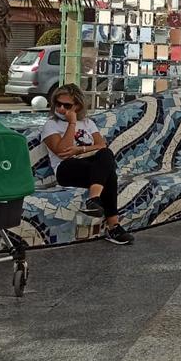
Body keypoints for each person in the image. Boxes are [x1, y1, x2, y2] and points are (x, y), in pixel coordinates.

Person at [40, 84, 133, 245]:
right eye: (58, 103)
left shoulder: (88, 123)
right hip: (65, 169)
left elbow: (101, 146)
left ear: (77, 106)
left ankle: (94, 199)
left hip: (89, 165)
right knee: (108, 173)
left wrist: (79, 149)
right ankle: (113, 227)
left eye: (67, 105)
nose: (61, 108)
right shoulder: (51, 124)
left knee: (106, 156)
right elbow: (62, 151)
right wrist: (72, 124)